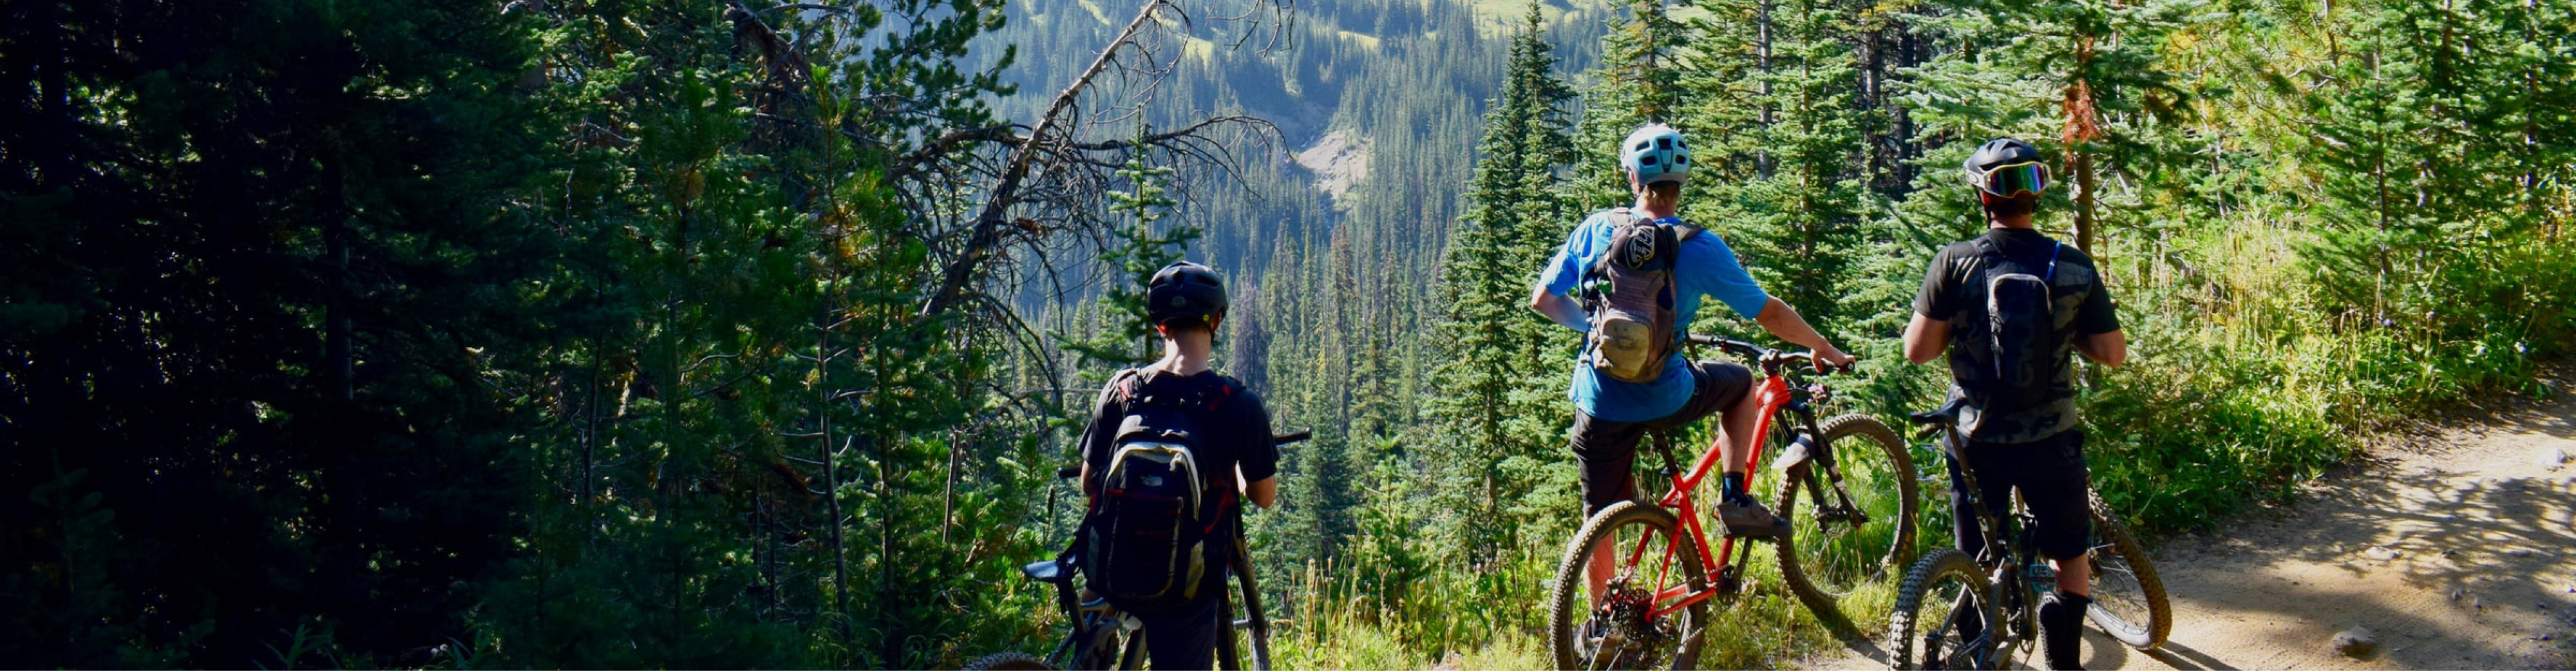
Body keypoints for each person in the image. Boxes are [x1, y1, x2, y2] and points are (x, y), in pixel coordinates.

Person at [1529, 123, 1857, 603]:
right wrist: (1821, 345)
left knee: (1599, 517)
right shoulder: (1699, 246)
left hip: (1599, 400)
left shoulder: (1598, 229)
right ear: (1681, 184)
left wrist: (1595, 331)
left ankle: (1603, 626)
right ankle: (1734, 493)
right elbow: (1768, 312)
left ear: (1632, 180)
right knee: (1742, 382)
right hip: (1668, 393)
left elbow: (1543, 300)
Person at [1902, 138, 2127, 670]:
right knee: (2069, 549)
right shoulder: (2071, 264)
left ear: (1984, 199)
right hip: (2051, 436)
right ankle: (2064, 656)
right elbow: (2112, 354)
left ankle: (1980, 648)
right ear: (2036, 196)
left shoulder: (1953, 262)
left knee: (1976, 551)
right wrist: (2062, 331)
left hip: (1976, 437)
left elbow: (1918, 352)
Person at [1075, 261, 1280, 669]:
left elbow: (1088, 482)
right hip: (1187, 589)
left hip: (1113, 572)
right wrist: (1236, 475)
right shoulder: (1238, 405)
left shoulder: (1122, 391)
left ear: (1160, 326)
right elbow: (1264, 496)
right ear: (1217, 321)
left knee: (1088, 649)